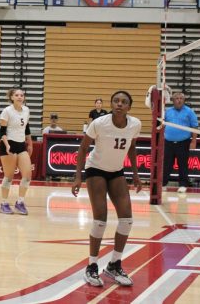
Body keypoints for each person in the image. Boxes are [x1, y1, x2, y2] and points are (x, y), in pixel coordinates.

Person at [71, 91, 142, 288]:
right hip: (95, 170)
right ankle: (92, 266)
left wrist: (135, 175)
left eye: (124, 102)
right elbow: (83, 148)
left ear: (129, 107)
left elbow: (132, 148)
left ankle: (114, 264)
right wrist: (78, 177)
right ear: (112, 104)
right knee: (100, 219)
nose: (119, 104)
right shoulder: (100, 123)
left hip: (117, 171)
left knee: (127, 220)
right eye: (116, 101)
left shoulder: (135, 124)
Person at [0, 87, 34, 215]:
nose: (20, 97)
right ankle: (4, 203)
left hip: (21, 145)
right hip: (9, 145)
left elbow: (27, 128)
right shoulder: (7, 111)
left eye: (22, 95)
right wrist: (7, 145)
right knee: (9, 177)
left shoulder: (26, 110)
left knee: (27, 175)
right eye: (17, 95)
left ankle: (20, 202)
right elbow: (1, 132)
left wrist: (30, 143)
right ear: (12, 97)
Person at [163, 91, 198, 193]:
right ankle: (163, 184)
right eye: (177, 98)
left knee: (182, 164)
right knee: (166, 164)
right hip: (168, 142)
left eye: (181, 98)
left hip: (183, 143)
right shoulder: (167, 111)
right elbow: (162, 125)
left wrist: (193, 141)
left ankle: (183, 184)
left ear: (184, 100)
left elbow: (194, 127)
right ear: (173, 100)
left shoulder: (189, 112)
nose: (179, 100)